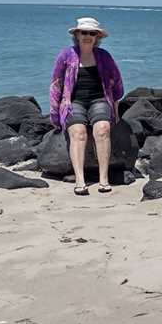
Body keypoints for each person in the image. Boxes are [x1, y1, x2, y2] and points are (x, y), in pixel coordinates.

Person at [49, 17, 124, 195]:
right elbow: (56, 85)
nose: (88, 36)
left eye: (92, 33)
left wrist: (116, 109)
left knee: (103, 129)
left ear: (97, 37)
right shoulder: (66, 55)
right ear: (77, 35)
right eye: (84, 32)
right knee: (78, 132)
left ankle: (103, 179)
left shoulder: (104, 56)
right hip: (73, 102)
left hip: (99, 100)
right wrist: (54, 115)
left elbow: (116, 84)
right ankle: (80, 180)